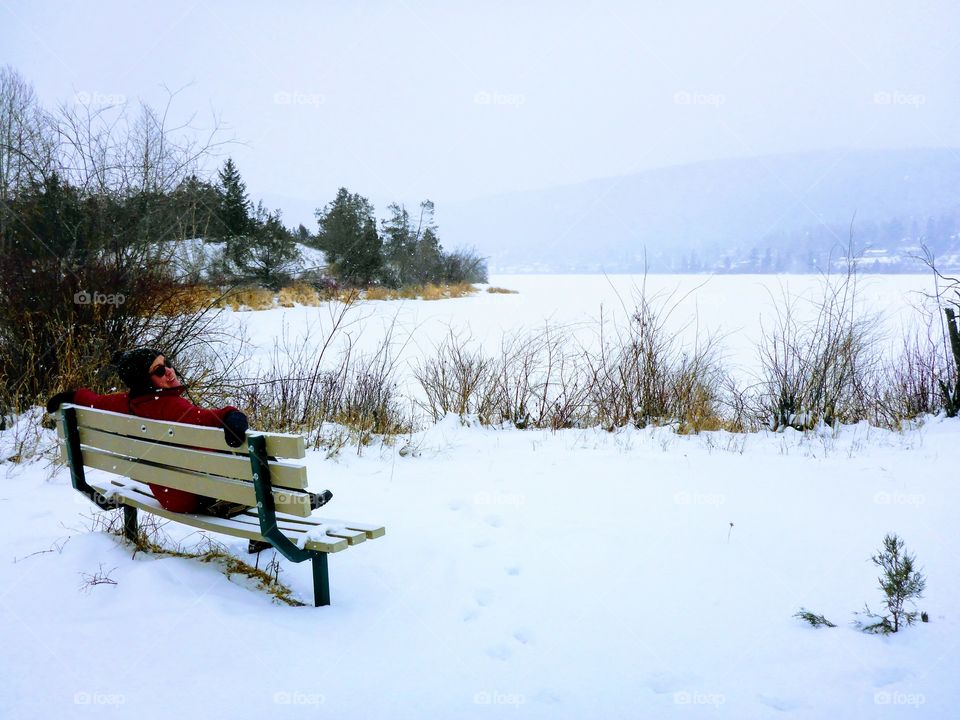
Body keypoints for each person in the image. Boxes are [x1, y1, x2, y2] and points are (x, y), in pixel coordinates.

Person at [46, 347, 332, 522]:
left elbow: (93, 400)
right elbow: (211, 418)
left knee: (225, 453)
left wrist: (69, 395)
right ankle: (296, 498)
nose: (169, 371)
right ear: (145, 381)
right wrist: (233, 414)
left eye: (167, 363)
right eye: (159, 370)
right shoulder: (172, 406)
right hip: (191, 495)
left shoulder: (126, 403)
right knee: (251, 447)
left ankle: (241, 500)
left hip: (168, 492)